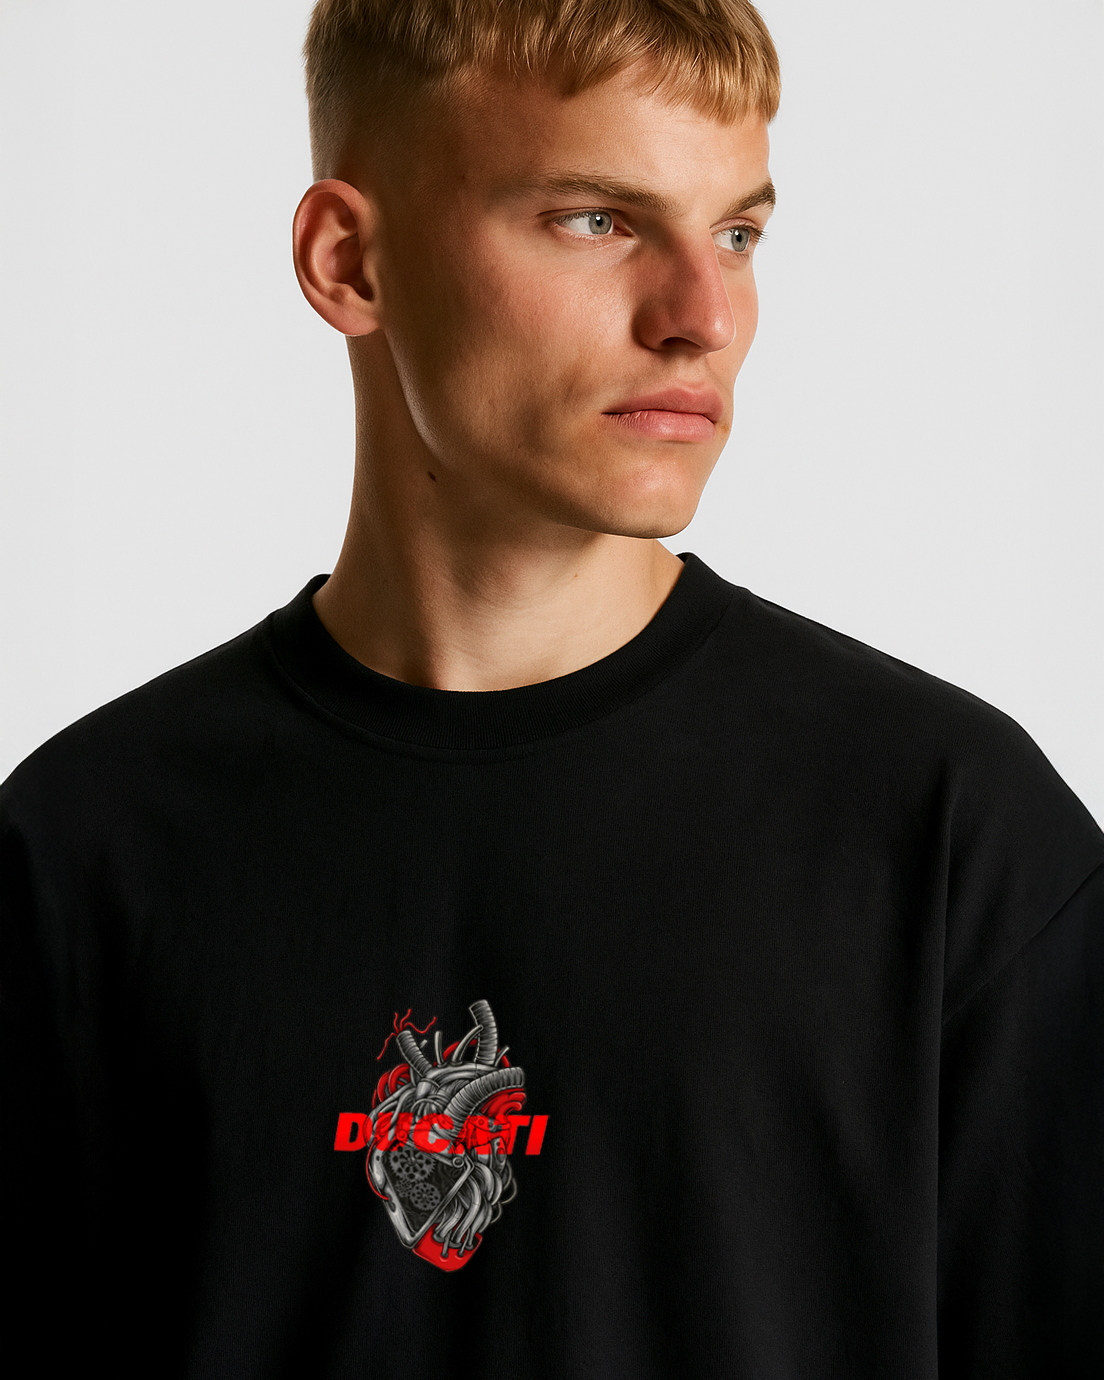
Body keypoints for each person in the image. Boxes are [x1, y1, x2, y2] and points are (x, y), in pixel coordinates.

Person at [2, 1, 1101, 1375]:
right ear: (351, 261)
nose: (702, 318)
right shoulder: (84, 848)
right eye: (598, 219)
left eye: (739, 234)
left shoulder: (954, 838)